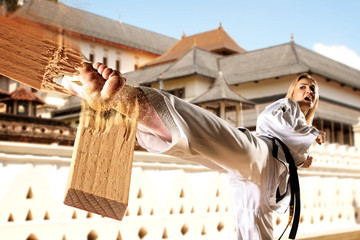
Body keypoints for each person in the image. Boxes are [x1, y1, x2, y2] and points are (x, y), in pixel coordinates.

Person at [64, 62, 325, 240]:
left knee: (255, 228)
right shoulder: (287, 107)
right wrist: (311, 135)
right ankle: (125, 98)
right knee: (215, 136)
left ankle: (125, 104)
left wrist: (301, 157)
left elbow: (292, 149)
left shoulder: (302, 124)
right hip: (260, 155)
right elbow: (270, 123)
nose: (308, 91)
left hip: (270, 182)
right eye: (303, 86)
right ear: (293, 91)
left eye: (312, 89)